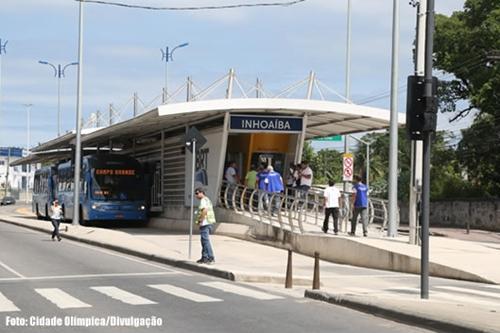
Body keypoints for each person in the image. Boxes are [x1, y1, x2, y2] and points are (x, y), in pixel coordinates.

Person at [194, 188, 216, 264]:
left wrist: (201, 220)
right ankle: (204, 257)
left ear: (202, 193)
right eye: (195, 194)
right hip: (208, 222)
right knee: (204, 241)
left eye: (197, 193)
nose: (196, 195)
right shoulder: (207, 200)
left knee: (205, 241)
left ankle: (211, 257)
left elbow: (204, 210)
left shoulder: (203, 200)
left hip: (205, 223)